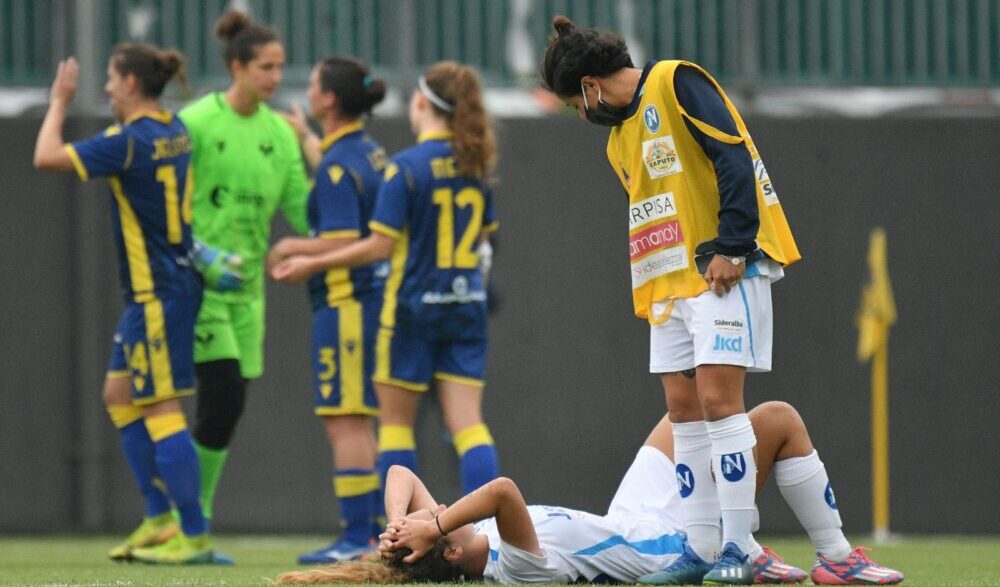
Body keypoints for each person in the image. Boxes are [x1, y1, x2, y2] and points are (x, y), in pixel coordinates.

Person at [540, 15, 804, 584]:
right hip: (668, 290)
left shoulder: (677, 80)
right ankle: (701, 549)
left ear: (588, 87)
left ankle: (738, 547)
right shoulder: (619, 141)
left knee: (719, 402)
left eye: (572, 104)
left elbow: (732, 157)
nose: (580, 115)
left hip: (718, 273)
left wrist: (732, 247)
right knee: (684, 410)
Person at [272, 402, 903, 585]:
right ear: (454, 554)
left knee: (685, 400)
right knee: (776, 420)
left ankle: (747, 542)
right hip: (662, 546)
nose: (437, 512)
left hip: (627, 513)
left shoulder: (461, 540)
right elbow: (502, 491)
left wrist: (397, 524)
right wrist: (432, 525)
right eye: (442, 524)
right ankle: (831, 556)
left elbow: (400, 477)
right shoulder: (515, 569)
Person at [33, 44, 227, 564]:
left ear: (133, 85)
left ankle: (194, 534)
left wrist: (59, 101)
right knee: (119, 395)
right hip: (165, 288)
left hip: (159, 292)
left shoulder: (126, 142)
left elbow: (45, 155)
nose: (108, 89)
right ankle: (160, 516)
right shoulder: (174, 129)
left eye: (113, 81)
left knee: (161, 408)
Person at [271, 61, 500, 499]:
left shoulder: (406, 167)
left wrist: (308, 263)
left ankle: (402, 532)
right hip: (466, 306)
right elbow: (485, 239)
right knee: (469, 426)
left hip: (411, 309)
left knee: (395, 426)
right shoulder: (474, 165)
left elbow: (377, 247)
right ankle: (485, 537)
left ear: (420, 104)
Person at [178, 9, 311, 523]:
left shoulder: (280, 136)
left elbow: (305, 212)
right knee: (221, 396)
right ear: (238, 66)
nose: (276, 78)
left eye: (280, 67)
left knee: (224, 409)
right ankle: (190, 516)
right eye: (267, 67)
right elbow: (164, 203)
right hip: (196, 287)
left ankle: (182, 514)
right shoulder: (194, 123)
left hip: (247, 294)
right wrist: (200, 255)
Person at [266, 55, 390, 564]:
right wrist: (306, 139)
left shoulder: (339, 164)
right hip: (371, 303)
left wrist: (295, 250)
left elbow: (342, 236)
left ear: (328, 99)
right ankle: (375, 529)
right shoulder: (366, 150)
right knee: (363, 418)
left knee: (346, 419)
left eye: (313, 84)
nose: (308, 90)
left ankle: (358, 535)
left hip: (345, 305)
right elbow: (345, 177)